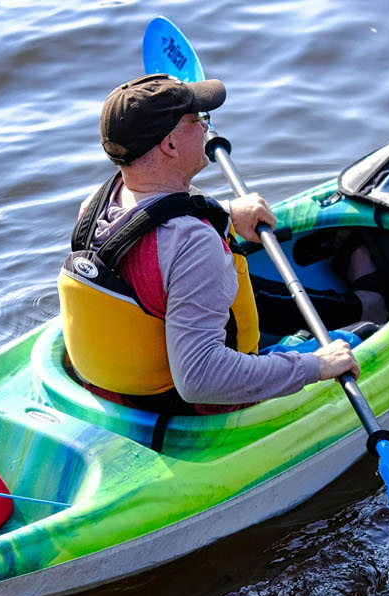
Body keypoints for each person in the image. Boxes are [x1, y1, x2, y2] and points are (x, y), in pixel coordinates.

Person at [57, 73, 359, 416]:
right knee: (357, 339)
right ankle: (369, 303)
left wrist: (225, 213)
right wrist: (314, 366)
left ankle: (356, 303)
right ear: (170, 146)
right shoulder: (193, 244)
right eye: (197, 119)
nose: (206, 126)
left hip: (122, 392)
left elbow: (150, 227)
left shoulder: (96, 206)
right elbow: (199, 379)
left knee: (240, 290)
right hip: (191, 408)